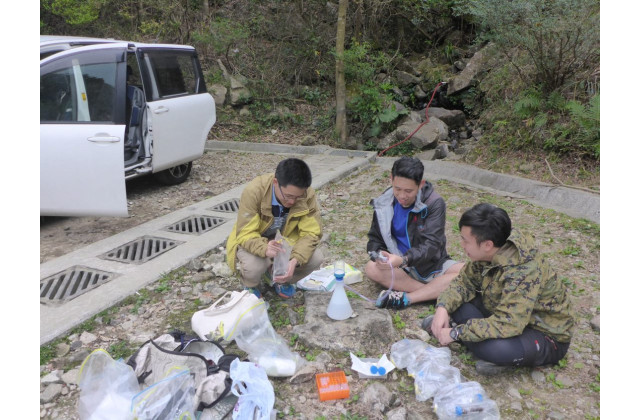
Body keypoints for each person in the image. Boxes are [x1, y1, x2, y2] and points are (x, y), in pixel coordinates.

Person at [424, 203, 575, 375]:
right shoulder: (488, 252)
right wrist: (442, 308)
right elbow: (463, 283)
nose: (461, 244)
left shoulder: (523, 271)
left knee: (495, 349)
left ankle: (487, 349)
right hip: (503, 311)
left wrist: (457, 332)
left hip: (544, 335)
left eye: (465, 240)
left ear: (487, 244)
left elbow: (509, 323)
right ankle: (458, 330)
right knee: (458, 304)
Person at [365, 156, 463, 309]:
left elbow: (432, 245)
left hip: (431, 264)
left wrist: (404, 259)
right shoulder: (385, 201)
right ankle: (435, 293)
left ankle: (411, 297)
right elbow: (374, 237)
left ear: (421, 184)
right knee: (371, 268)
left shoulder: (433, 203)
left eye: (408, 191)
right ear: (391, 179)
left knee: (469, 273)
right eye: (397, 189)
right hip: (401, 269)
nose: (402, 196)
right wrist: (379, 254)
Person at [226, 158, 324, 299]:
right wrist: (264, 248)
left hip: (285, 239)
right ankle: (251, 284)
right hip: (255, 238)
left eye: (298, 197)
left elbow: (311, 233)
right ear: (276, 182)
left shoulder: (306, 194)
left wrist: (295, 260)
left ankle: (280, 278)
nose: (292, 202)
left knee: (315, 258)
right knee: (254, 266)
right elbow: (245, 233)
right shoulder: (254, 191)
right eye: (288, 196)